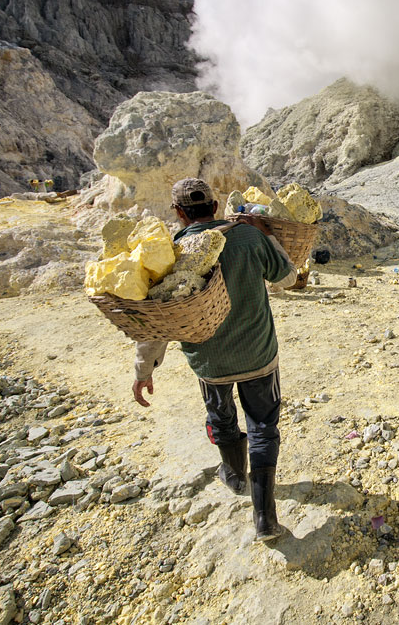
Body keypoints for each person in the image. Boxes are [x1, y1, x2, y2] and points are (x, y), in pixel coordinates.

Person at [132, 178, 296, 541]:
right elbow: (287, 279)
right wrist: (266, 234)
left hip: (209, 362)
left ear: (178, 212)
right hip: (258, 354)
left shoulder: (171, 253)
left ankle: (234, 476)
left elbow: (156, 324)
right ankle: (265, 519)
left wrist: (144, 371)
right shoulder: (249, 237)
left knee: (220, 417)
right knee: (263, 426)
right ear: (216, 203)